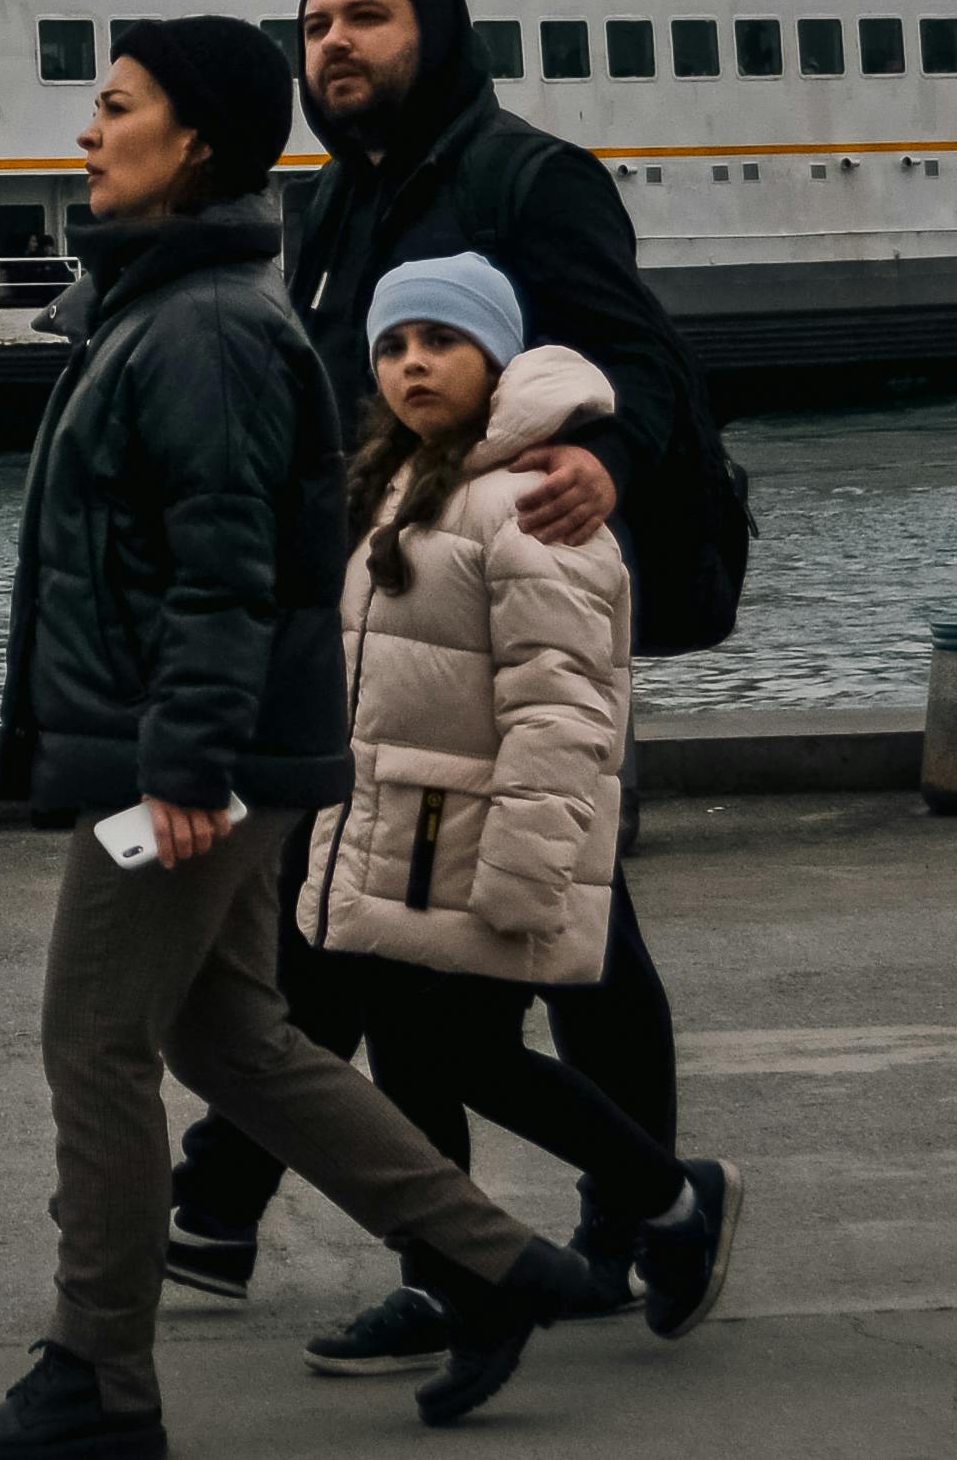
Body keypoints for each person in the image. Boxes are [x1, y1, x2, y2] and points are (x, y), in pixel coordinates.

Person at [0, 18, 596, 1460]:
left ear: (196, 148)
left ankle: (96, 1379)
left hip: (185, 765)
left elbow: (227, 569)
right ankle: (492, 1260)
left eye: (114, 107)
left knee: (92, 1044)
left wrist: (181, 765)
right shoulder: (170, 312)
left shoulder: (205, 331)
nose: (85, 132)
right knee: (227, 1032)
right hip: (214, 754)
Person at [170, 0, 734, 1353]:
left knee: (570, 926)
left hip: (518, 602)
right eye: (313, 26)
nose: (333, 44)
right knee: (393, 925)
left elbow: (639, 358)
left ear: (438, 30)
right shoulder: (335, 197)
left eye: (365, 15)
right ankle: (485, 1233)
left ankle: (621, 1211)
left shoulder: (527, 178)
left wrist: (602, 453)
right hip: (393, 611)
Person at [299, 253, 739, 1349]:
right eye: (393, 347)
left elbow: (562, 705)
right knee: (410, 1064)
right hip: (399, 824)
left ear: (494, 355)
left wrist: (527, 864)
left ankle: (670, 1199)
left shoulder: (531, 500)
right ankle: (447, 1278)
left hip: (474, 831)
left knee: (461, 1059)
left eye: (438, 342)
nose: (411, 365)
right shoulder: (395, 484)